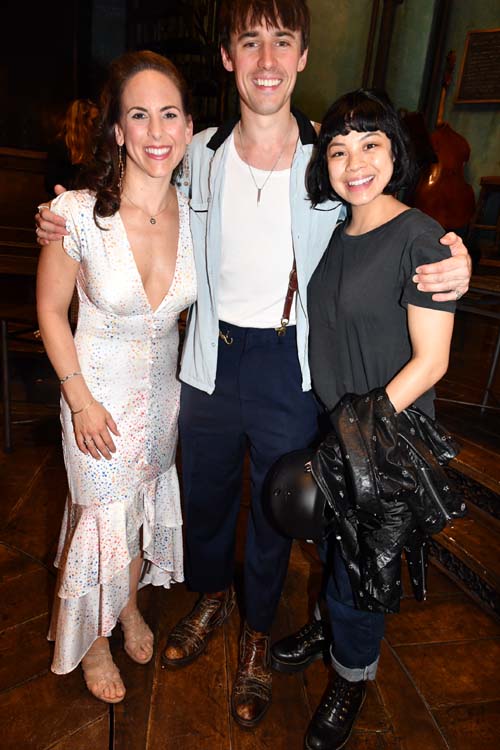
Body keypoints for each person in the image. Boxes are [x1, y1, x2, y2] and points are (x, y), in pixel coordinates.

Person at [35, 0, 471, 729]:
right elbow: (123, 199)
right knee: (203, 501)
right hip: (207, 359)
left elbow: (387, 220)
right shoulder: (194, 154)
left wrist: (454, 255)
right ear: (230, 60)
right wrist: (61, 217)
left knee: (276, 511)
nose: (266, 59)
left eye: (283, 42)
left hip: (287, 363)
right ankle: (210, 598)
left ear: (300, 57)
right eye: (250, 42)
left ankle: (258, 636)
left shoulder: (328, 163)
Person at [275, 88, 457, 750]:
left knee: (363, 567)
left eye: (371, 144)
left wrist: (357, 433)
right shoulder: (338, 229)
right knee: (334, 547)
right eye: (340, 148)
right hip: (337, 426)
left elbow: (433, 361)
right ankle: (329, 624)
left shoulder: (421, 237)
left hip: (384, 437)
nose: (355, 162)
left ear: (395, 152)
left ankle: (353, 672)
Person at [36, 50, 195, 704]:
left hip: (163, 401)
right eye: (139, 116)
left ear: (188, 128)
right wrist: (79, 401)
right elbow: (48, 309)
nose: (156, 132)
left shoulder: (199, 216)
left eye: (169, 115)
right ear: (118, 131)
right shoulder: (75, 214)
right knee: (100, 520)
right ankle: (94, 641)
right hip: (94, 400)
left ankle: (127, 606)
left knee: (140, 514)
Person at [44, 98, 99, 198]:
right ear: (82, 121)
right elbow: (50, 182)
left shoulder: (95, 145)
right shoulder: (59, 145)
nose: (97, 125)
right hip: (66, 203)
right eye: (93, 120)